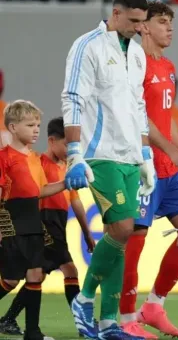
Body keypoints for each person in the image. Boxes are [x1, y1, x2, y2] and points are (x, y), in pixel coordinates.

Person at [61, 0, 155, 339]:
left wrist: (145, 154)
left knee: (122, 235)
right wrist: (74, 151)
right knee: (122, 229)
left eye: (142, 23)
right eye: (133, 21)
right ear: (115, 13)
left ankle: (108, 323)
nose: (137, 29)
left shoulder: (138, 55)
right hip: (99, 152)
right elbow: (72, 97)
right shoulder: (88, 46)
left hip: (130, 154)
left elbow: (138, 105)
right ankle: (84, 299)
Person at [119, 0, 178, 339]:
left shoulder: (167, 66)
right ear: (144, 26)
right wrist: (170, 150)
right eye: (163, 22)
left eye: (171, 22)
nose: (170, 28)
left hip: (168, 169)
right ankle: (126, 318)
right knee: (134, 241)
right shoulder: (132, 65)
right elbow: (141, 118)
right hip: (141, 167)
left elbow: (164, 122)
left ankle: (153, 305)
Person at [0, 117, 96, 336]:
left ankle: (8, 318)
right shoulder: (39, 162)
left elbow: (75, 201)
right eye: (67, 144)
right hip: (43, 223)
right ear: (52, 141)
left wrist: (87, 232)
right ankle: (83, 323)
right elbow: (33, 192)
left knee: (35, 275)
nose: (72, 150)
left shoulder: (67, 168)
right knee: (66, 270)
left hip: (58, 224)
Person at [0, 100, 68, 340]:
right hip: (11, 220)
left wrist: (65, 184)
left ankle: (33, 332)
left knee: (35, 274)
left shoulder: (35, 158)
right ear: (12, 127)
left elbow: (39, 191)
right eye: (30, 125)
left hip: (33, 221)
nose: (36, 129)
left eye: (38, 124)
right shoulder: (4, 158)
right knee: (10, 278)